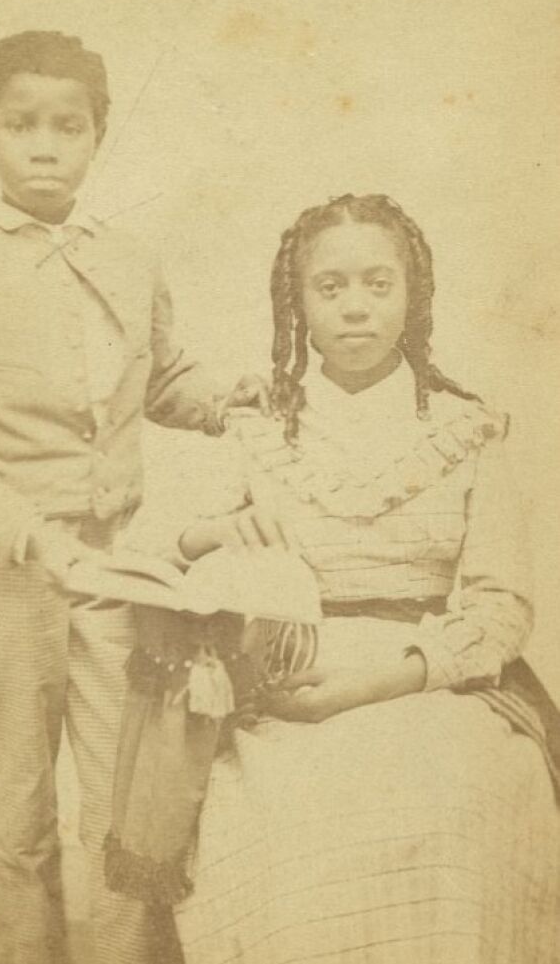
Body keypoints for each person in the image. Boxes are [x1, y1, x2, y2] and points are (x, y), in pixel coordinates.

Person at [109, 194, 560, 963]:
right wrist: (213, 534)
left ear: (412, 295)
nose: (356, 306)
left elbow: (502, 606)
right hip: (286, 681)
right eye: (331, 286)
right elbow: (153, 556)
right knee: (284, 812)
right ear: (298, 303)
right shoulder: (255, 426)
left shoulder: (467, 428)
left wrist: (375, 682)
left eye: (378, 284)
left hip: (430, 680)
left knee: (454, 798)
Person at [0, 30, 269, 964]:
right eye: (20, 124)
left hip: (115, 569)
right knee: (20, 800)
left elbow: (161, 375)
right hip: (7, 577)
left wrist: (227, 401)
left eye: (69, 127)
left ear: (99, 135)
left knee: (123, 794)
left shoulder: (129, 258)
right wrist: (36, 540)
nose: (45, 146)